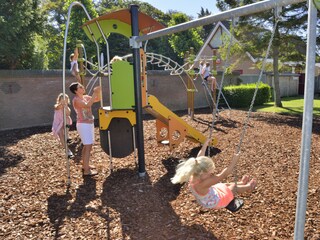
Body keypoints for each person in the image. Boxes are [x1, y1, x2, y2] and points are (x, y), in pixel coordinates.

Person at [171, 138, 257, 210]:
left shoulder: (195, 172)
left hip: (209, 195)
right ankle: (248, 187)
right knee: (233, 188)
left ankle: (242, 183)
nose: (211, 173)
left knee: (224, 185)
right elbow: (224, 174)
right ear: (202, 173)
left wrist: (205, 145)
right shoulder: (204, 184)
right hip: (216, 202)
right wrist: (234, 161)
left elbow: (199, 157)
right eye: (209, 172)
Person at [69, 82, 101, 176]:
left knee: (88, 146)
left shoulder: (85, 97)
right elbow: (87, 105)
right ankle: (86, 171)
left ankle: (85, 165)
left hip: (89, 124)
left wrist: (98, 92)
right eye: (80, 87)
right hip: (83, 125)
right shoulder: (76, 100)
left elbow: (98, 99)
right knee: (87, 146)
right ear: (76, 91)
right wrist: (94, 93)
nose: (83, 87)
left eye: (82, 86)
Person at [52, 93, 74, 158]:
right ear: (59, 100)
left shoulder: (67, 108)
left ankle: (66, 135)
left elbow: (68, 114)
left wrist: (66, 107)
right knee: (61, 136)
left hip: (64, 122)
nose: (64, 101)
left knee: (67, 118)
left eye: (66, 100)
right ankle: (67, 150)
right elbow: (57, 107)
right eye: (62, 99)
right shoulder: (57, 106)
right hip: (58, 123)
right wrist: (62, 104)